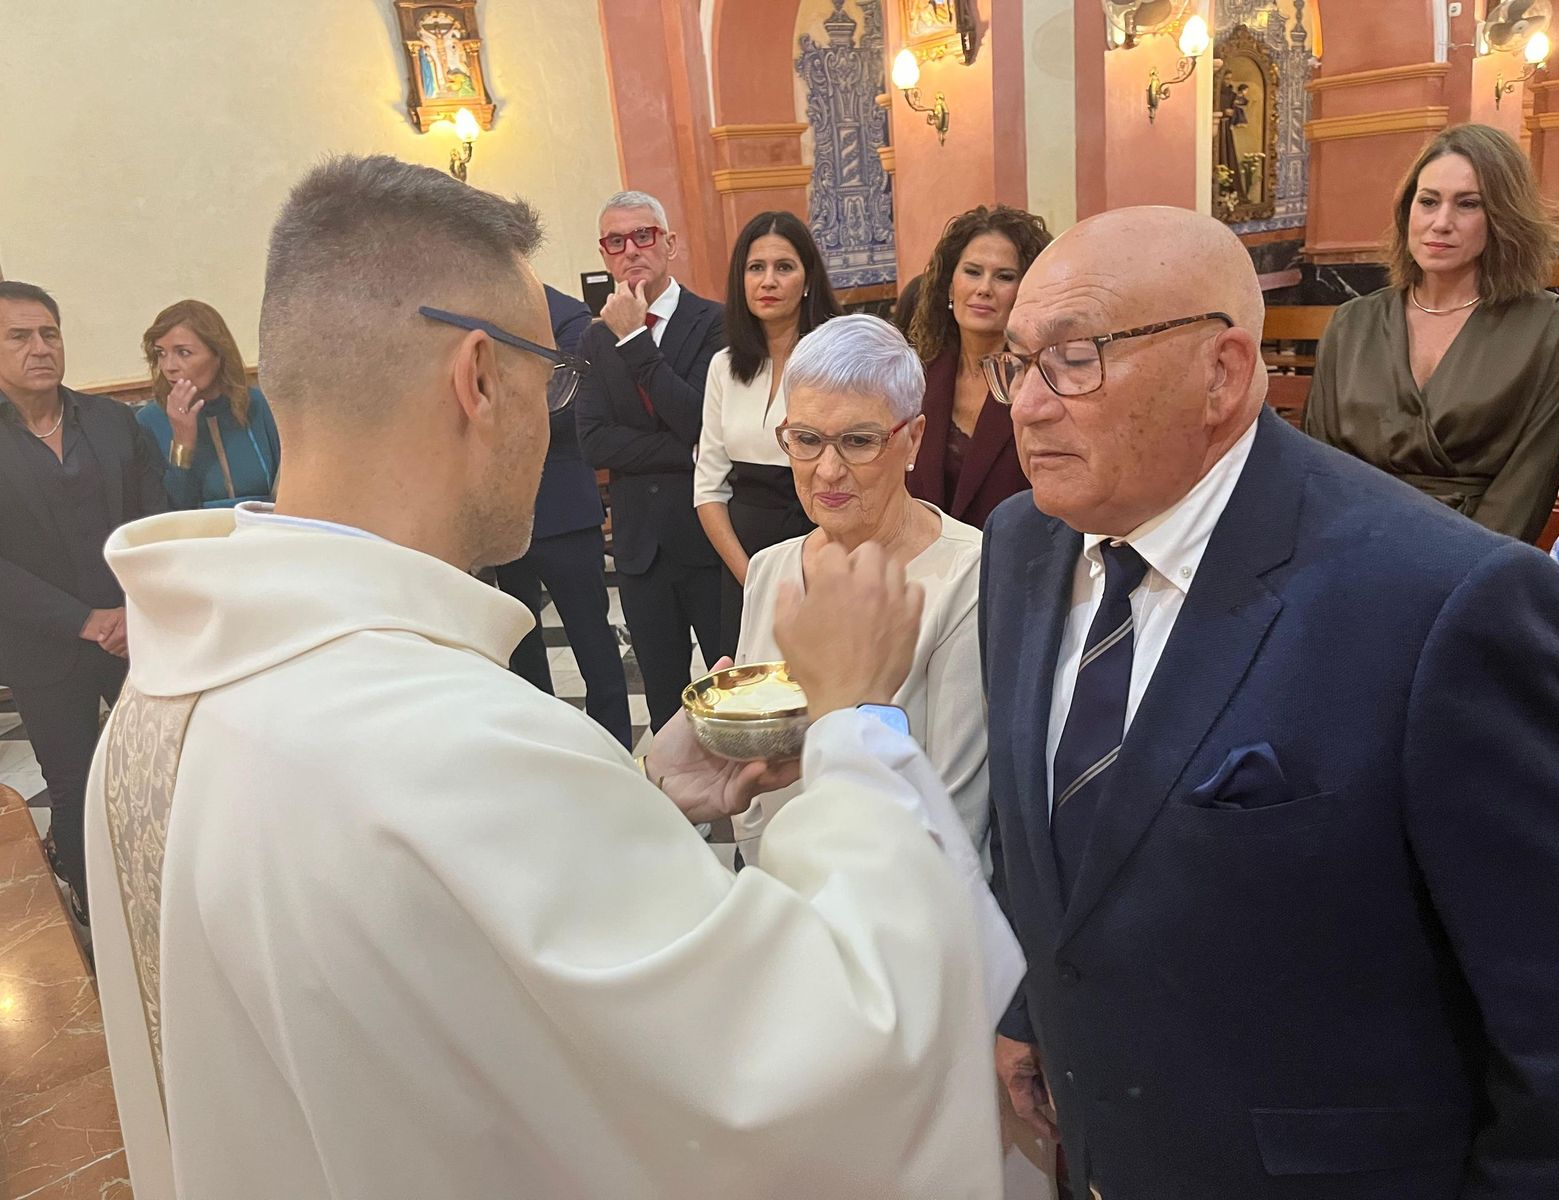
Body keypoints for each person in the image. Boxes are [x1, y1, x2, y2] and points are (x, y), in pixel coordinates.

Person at [83, 154, 1023, 1200]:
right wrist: (851, 725)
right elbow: (845, 1046)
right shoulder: (464, 747)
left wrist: (638, 786)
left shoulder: (160, 702)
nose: (555, 414)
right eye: (553, 376)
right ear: (480, 379)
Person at [981, 205, 1559, 1199]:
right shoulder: (1022, 544)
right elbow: (1063, 851)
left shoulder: (1437, 603)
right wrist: (1030, 1007)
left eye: (1076, 359)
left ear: (1222, 373)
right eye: (1015, 362)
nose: (1029, 404)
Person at [733, 314, 988, 863]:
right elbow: (754, 780)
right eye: (806, 440)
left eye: (858, 441)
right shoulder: (770, 569)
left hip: (895, 890)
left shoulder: (966, 576)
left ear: (913, 437)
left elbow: (956, 812)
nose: (827, 470)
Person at [1304, 123, 1559, 543]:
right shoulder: (1352, 323)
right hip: (1345, 545)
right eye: (1428, 201)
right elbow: (1317, 465)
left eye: (1468, 204)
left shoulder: (1544, 327)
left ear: (1503, 217)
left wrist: (1458, 571)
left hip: (1473, 556)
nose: (1441, 222)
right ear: (1407, 211)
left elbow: (1528, 483)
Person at [0, 280, 167, 922]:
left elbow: (153, 517)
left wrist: (130, 605)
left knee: (157, 771)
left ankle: (164, 899)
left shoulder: (111, 421)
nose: (40, 347)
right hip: (43, 647)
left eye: (50, 333)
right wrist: (83, 620)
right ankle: (98, 916)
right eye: (19, 336)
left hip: (135, 632)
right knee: (73, 786)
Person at [576, 190, 725, 730]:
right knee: (665, 706)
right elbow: (595, 442)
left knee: (734, 688)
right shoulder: (595, 338)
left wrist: (636, 338)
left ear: (670, 244)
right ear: (604, 254)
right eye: (616, 241)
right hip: (640, 549)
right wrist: (685, 450)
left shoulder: (714, 322)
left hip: (709, 539)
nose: (631, 250)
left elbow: (701, 419)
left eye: (644, 235)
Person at [696, 211, 841, 658]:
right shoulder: (723, 366)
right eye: (756, 267)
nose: (768, 281)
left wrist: (809, 574)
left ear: (808, 279)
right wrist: (752, 578)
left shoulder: (837, 362)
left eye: (784, 267)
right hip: (743, 560)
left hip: (824, 548)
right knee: (748, 686)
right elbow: (708, 488)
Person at [493, 284, 631, 745]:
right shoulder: (473, 306)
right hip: (504, 514)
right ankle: (544, 748)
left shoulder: (566, 315)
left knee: (593, 644)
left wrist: (494, 398)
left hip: (564, 510)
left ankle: (614, 749)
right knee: (521, 648)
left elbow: (565, 408)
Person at [905, 205, 1051, 530]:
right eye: (972, 272)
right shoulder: (917, 378)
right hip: (929, 557)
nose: (984, 288)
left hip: (1020, 553)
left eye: (1004, 277)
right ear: (950, 285)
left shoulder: (1046, 380)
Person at [136, 299, 280, 509]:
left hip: (264, 524)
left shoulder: (261, 406)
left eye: (183, 352)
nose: (168, 366)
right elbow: (168, 511)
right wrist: (182, 443)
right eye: (161, 353)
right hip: (193, 529)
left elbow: (289, 488)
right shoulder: (148, 421)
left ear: (218, 354)